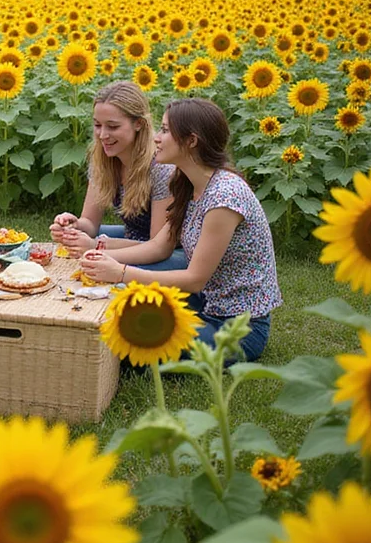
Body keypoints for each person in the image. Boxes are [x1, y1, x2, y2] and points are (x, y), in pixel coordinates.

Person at [81, 98, 282, 361]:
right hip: (203, 303)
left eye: (165, 130)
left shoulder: (225, 196)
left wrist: (120, 272)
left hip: (237, 329)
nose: (156, 138)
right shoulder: (187, 183)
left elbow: (194, 278)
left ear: (191, 141)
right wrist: (99, 248)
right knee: (121, 307)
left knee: (127, 342)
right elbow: (157, 245)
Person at [49, 81, 186, 271]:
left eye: (112, 127)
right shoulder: (102, 159)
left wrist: (98, 247)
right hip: (135, 237)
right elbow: (90, 223)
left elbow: (157, 246)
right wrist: (74, 226)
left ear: (139, 124)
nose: (103, 135)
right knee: (75, 240)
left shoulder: (161, 168)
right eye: (97, 125)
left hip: (174, 252)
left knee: (100, 264)